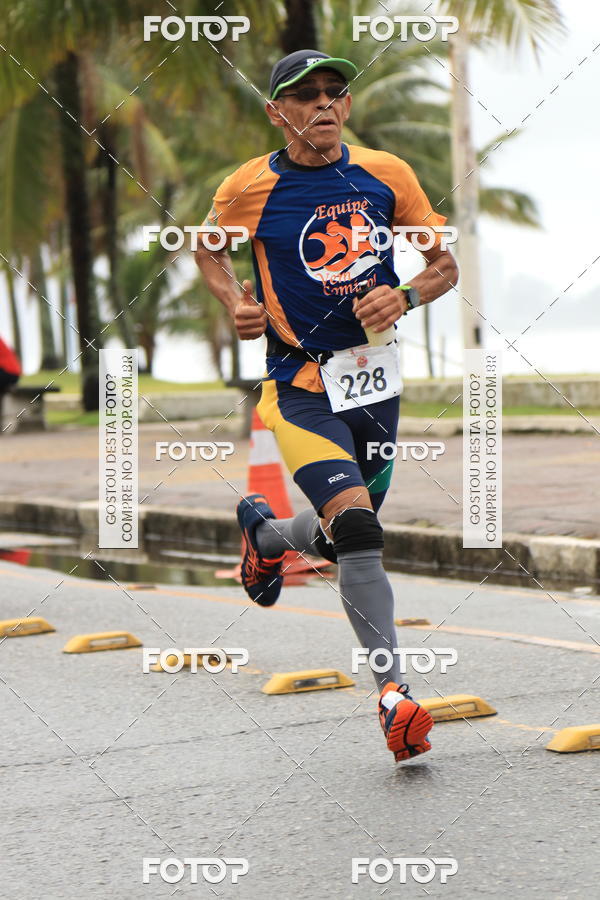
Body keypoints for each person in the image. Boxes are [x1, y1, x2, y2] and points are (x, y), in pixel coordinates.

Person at [196, 50, 459, 762]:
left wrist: (404, 294)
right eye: (303, 95)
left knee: (350, 527)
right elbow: (207, 249)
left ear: (347, 104)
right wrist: (237, 304)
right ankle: (395, 696)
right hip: (298, 388)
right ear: (276, 111)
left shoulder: (387, 174)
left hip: (375, 381)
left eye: (333, 92)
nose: (322, 104)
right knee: (361, 533)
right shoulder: (249, 186)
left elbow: (445, 264)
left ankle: (269, 537)